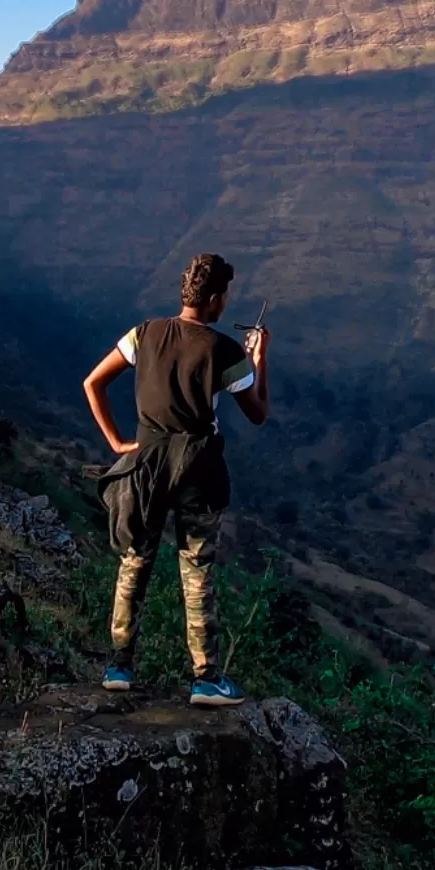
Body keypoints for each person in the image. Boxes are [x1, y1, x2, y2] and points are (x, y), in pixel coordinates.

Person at [83, 251, 270, 706]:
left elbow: (94, 383)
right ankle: (205, 677)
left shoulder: (144, 334)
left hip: (145, 463)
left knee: (134, 561)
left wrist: (118, 443)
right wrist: (260, 360)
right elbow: (258, 412)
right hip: (199, 467)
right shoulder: (223, 350)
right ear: (212, 299)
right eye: (224, 296)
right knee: (197, 569)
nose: (226, 304)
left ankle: (119, 666)